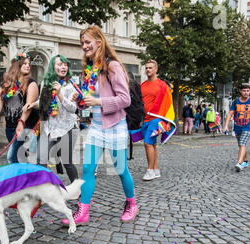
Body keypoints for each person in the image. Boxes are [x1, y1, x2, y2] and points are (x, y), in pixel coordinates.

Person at [61, 26, 139, 225]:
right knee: (88, 169)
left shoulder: (112, 66)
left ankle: (132, 204)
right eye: (82, 43)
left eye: (88, 42)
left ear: (99, 42)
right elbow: (92, 98)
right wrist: (81, 99)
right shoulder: (90, 69)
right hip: (96, 126)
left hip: (115, 126)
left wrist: (98, 102)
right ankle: (83, 212)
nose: (84, 46)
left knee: (121, 169)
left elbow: (125, 99)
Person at [0, 53, 39, 164]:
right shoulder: (6, 85)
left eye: (29, 64)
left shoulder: (31, 83)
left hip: (26, 127)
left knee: (12, 157)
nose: (28, 66)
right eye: (24, 63)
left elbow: (28, 107)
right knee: (20, 158)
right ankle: (23, 179)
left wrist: (21, 123)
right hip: (10, 128)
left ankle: (22, 179)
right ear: (17, 65)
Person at [33, 54, 79, 182]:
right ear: (53, 67)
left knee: (67, 161)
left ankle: (77, 189)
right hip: (49, 128)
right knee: (40, 159)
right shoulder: (45, 83)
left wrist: (59, 94)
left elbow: (73, 108)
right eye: (60, 64)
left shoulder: (71, 85)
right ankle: (42, 188)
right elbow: (43, 102)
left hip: (66, 128)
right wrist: (33, 104)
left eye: (65, 65)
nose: (63, 67)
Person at [140, 60, 176, 181]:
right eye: (146, 68)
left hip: (156, 119)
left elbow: (168, 104)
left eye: (150, 68)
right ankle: (156, 170)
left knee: (147, 143)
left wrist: (168, 121)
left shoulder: (162, 85)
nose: (148, 70)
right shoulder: (143, 85)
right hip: (145, 119)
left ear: (156, 69)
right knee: (152, 144)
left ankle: (149, 170)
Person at [223, 83, 250, 172]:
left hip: (248, 126)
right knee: (241, 145)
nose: (246, 93)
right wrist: (226, 125)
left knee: (242, 144)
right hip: (238, 127)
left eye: (248, 91)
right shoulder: (235, 101)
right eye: (244, 91)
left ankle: (239, 163)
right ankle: (245, 161)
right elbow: (230, 113)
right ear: (240, 91)